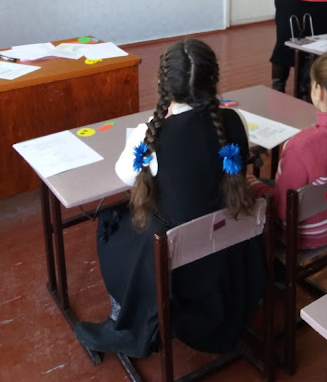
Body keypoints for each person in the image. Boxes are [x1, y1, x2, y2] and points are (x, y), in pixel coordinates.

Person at [74, 38, 267, 357]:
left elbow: (125, 175)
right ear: (213, 80)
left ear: (162, 85)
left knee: (113, 224)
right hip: (229, 252)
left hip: (179, 265)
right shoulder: (235, 120)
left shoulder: (151, 134)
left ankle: (124, 325)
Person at [249, 48, 327, 249]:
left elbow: (282, 211)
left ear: (320, 91)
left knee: (247, 186)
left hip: (297, 237)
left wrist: (254, 185)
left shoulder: (300, 147)